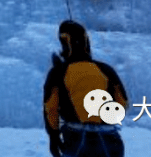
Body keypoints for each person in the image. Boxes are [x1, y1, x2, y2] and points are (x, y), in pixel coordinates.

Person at [43, 20, 128, 157]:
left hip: (76, 138)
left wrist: (54, 137)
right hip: (109, 138)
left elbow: (50, 108)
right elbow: (122, 103)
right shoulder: (105, 69)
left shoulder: (59, 72)